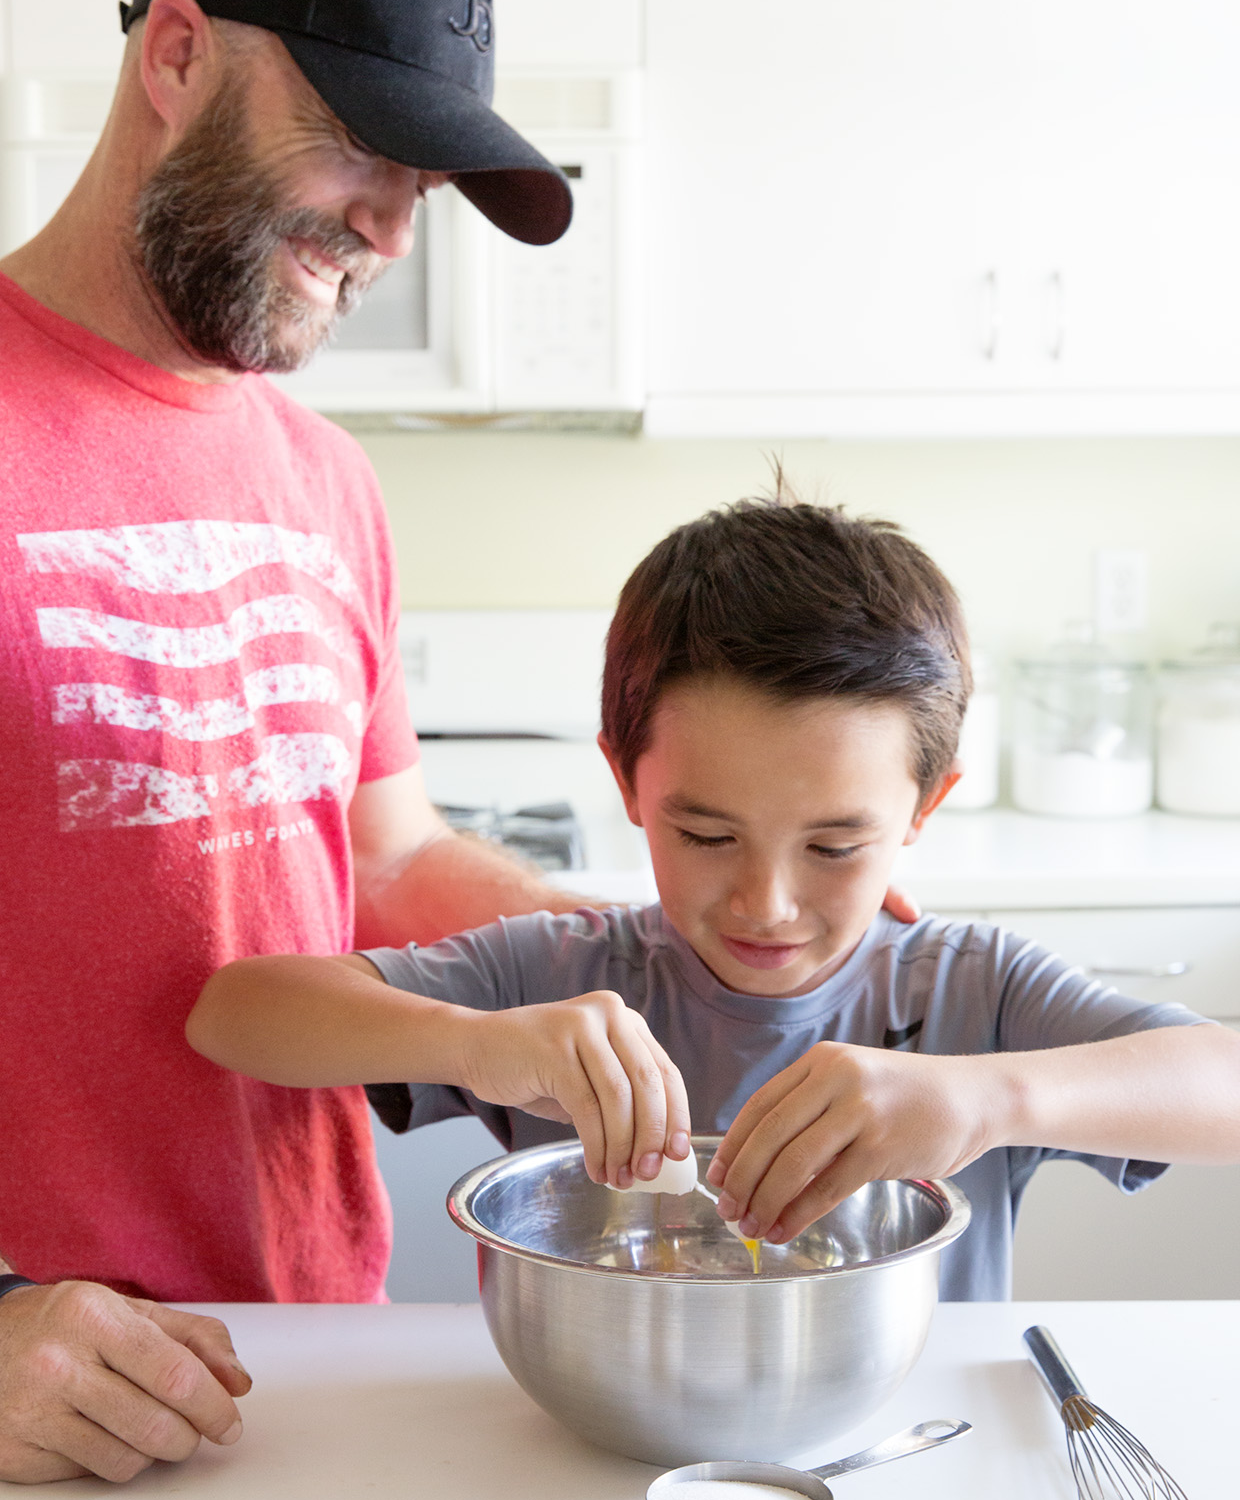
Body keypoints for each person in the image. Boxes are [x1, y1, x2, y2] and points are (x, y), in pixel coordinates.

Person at [0, 0, 642, 1488]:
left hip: (307, 1355)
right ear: (176, 56)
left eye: (425, 188)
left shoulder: (324, 477)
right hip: (44, 1400)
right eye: (365, 144)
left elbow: (385, 858)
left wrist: (667, 962)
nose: (389, 230)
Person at [190, 497, 1240, 1299]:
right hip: (598, 1452)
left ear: (924, 808)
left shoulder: (975, 995)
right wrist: (474, 1045)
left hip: (911, 1450)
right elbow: (234, 1012)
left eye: (834, 843)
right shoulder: (563, 980)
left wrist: (994, 1099)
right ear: (625, 784)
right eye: (704, 835)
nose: (766, 902)